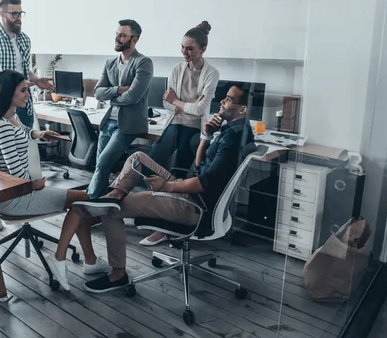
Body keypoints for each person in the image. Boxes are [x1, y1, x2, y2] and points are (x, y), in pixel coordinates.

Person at [75, 83, 255, 293]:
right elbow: (199, 167)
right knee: (137, 158)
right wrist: (206, 135)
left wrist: (168, 186)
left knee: (110, 211)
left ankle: (118, 275)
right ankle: (115, 193)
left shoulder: (233, 139)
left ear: (242, 109)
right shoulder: (234, 131)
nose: (223, 101)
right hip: (190, 194)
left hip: (195, 207)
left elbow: (202, 183)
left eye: (229, 99)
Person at [0, 70, 110, 291]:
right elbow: (16, 174)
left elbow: (22, 131)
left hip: (17, 193)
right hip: (16, 197)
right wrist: (36, 184)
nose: (28, 95)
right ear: (8, 94)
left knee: (81, 200)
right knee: (82, 200)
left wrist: (39, 134)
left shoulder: (9, 118)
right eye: (23, 91)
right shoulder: (3, 127)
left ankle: (89, 262)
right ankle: (62, 257)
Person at [142, 21, 220, 246]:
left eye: (190, 49)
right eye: (182, 47)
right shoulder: (177, 69)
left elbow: (201, 110)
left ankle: (171, 225)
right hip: (175, 123)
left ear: (203, 49)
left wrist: (176, 100)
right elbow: (167, 106)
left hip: (196, 129)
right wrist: (181, 103)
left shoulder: (211, 73)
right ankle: (159, 211)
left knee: (181, 172)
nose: (184, 53)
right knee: (152, 163)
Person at [87, 19, 154, 199]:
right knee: (100, 164)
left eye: (122, 35)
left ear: (134, 39)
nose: (117, 38)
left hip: (127, 125)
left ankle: (88, 201)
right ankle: (98, 203)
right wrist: (116, 90)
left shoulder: (143, 63)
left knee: (102, 162)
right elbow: (98, 92)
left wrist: (113, 98)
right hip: (108, 121)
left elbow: (134, 96)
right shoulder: (110, 63)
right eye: (117, 34)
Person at [0, 0, 55, 129]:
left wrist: (36, 80)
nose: (18, 18)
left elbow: (23, 71)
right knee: (3, 150)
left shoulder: (24, 39)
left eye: (20, 13)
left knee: (27, 148)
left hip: (24, 106)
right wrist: (15, 84)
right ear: (2, 14)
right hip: (0, 107)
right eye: (14, 14)